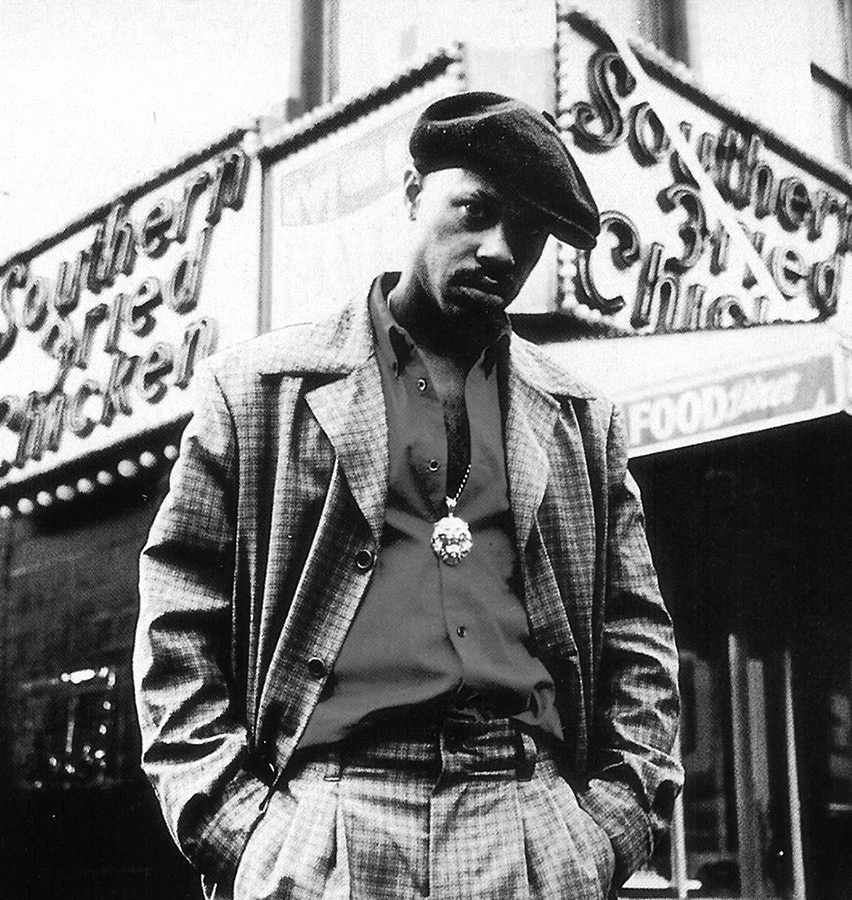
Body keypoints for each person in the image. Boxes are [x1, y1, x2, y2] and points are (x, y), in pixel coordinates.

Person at [133, 91, 683, 900]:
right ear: (413, 192)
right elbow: (177, 615)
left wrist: (606, 831)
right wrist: (238, 829)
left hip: (529, 822)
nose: (500, 250)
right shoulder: (258, 389)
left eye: (529, 233)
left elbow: (638, 636)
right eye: (477, 211)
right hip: (326, 824)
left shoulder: (580, 417)